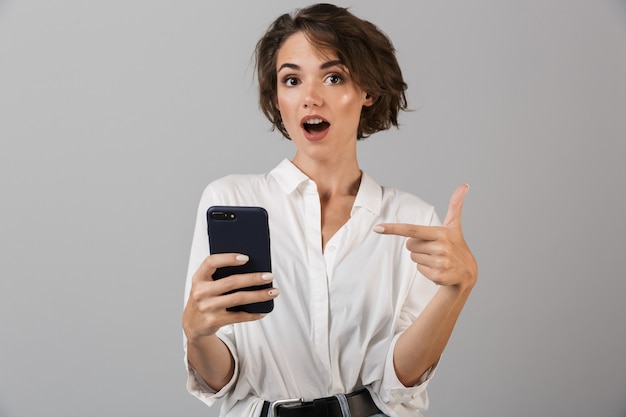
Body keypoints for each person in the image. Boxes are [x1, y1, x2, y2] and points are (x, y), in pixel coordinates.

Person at [182, 3, 478, 417]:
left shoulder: (414, 220)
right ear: (276, 96)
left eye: (333, 77)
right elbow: (220, 383)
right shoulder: (230, 199)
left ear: (368, 91)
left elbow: (400, 385)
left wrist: (457, 289)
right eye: (291, 80)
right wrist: (196, 335)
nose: (310, 98)